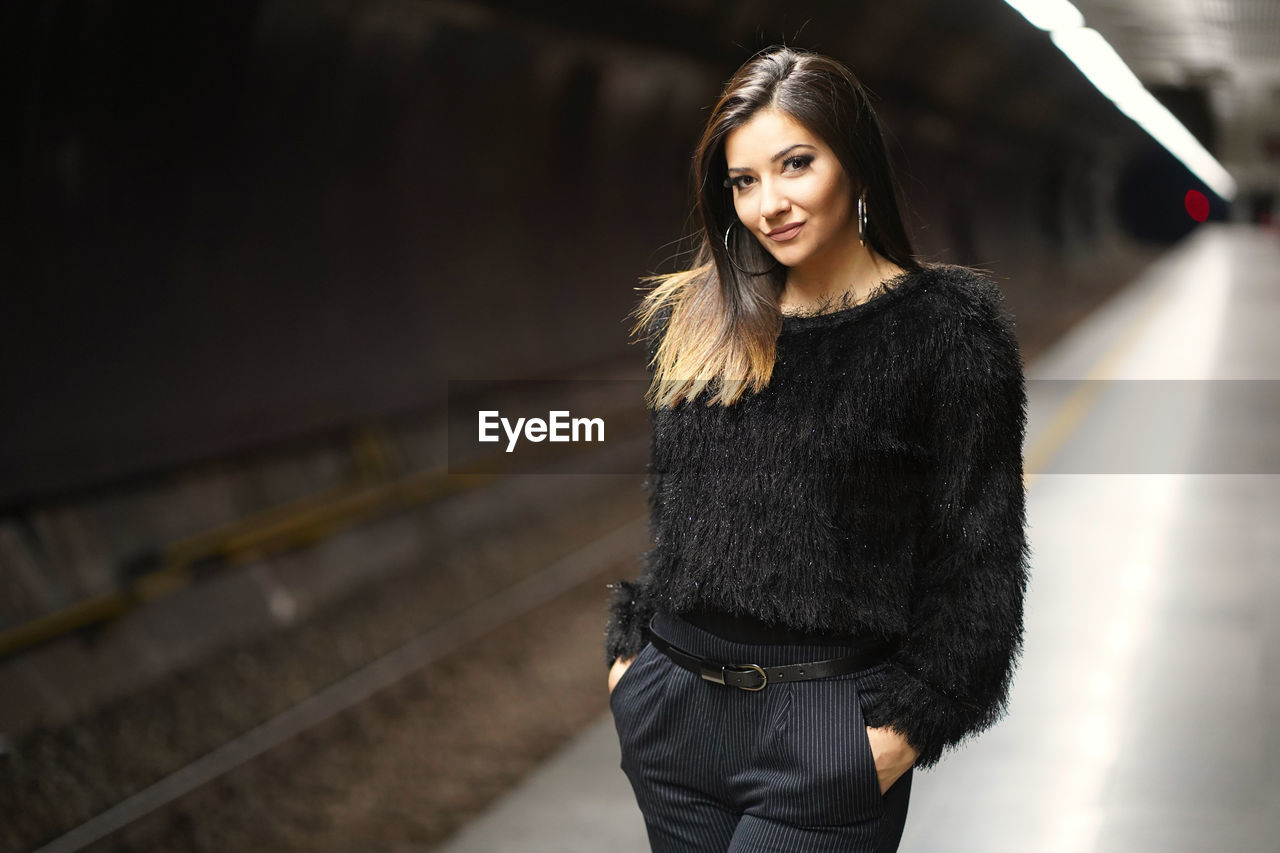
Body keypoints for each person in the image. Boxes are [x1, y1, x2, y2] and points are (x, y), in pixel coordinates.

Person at [603, 45, 1030, 853]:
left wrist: (905, 727)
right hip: (674, 713)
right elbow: (679, 524)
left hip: (827, 727)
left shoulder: (947, 329)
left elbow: (980, 557)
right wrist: (631, 667)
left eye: (796, 164)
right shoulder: (695, 319)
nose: (770, 203)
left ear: (855, 164)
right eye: (744, 180)